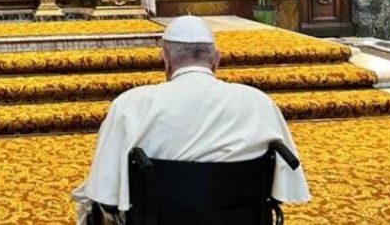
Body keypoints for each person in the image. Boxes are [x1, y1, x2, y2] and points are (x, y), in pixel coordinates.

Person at [73, 16, 311, 224]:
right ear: (217, 59)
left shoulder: (131, 105)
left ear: (165, 59)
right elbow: (283, 189)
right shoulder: (258, 103)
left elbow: (105, 193)